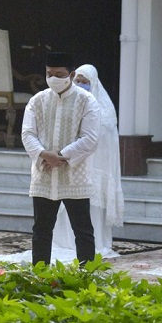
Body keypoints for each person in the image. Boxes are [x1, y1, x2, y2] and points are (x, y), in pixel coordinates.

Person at [21, 51, 100, 266]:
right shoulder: (38, 100)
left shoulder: (86, 100)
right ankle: (39, 276)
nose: (53, 78)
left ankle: (86, 277)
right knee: (41, 230)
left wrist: (61, 156)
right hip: (44, 173)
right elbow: (27, 133)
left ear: (71, 74)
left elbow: (91, 138)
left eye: (59, 74)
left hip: (74, 175)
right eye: (49, 74)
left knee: (82, 229)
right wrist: (44, 154)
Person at [54, 64, 125, 258]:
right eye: (78, 81)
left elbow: (102, 139)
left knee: (91, 208)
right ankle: (65, 242)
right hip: (71, 164)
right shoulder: (68, 102)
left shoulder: (104, 110)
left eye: (86, 82)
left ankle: (95, 243)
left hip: (95, 168)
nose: (81, 85)